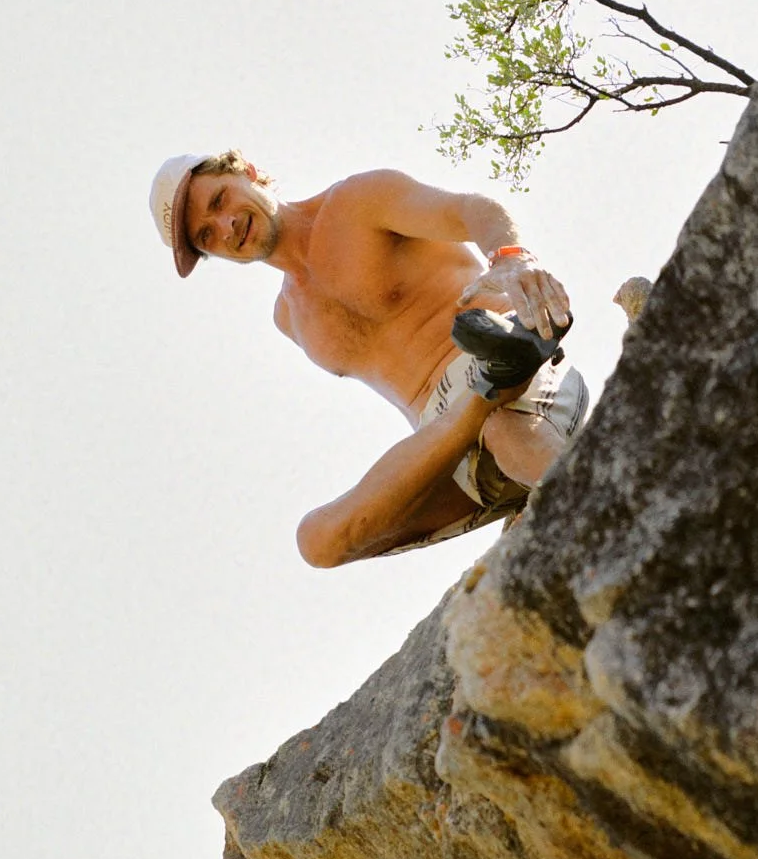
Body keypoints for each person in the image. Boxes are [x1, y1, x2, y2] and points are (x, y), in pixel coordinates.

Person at [148, 149, 589, 565]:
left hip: (509, 366)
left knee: (501, 429)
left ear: (246, 170)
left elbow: (470, 209)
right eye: (207, 235)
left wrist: (511, 258)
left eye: (219, 199)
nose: (226, 226)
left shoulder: (356, 203)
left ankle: (591, 498)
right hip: (446, 440)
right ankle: (487, 399)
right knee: (317, 542)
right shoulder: (289, 318)